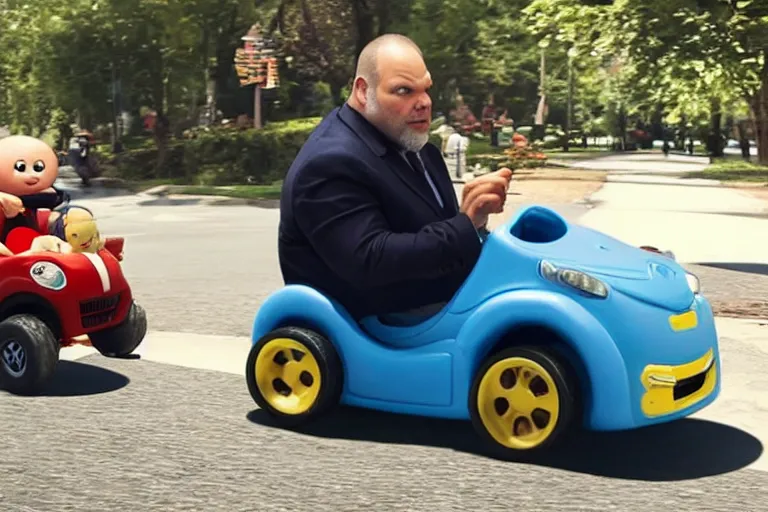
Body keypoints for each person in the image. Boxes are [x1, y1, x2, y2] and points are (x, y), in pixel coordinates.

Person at [278, 34, 513, 323]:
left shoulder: (416, 146)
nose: (424, 102)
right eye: (404, 91)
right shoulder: (329, 163)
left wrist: (481, 231)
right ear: (364, 92)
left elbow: (442, 233)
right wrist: (465, 225)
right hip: (381, 324)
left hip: (435, 304)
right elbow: (371, 260)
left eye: (426, 89)